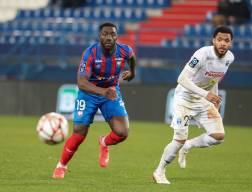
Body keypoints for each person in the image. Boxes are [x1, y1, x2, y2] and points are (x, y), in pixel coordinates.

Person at [52, 22, 136, 179]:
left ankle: (104, 142)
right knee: (79, 134)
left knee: (122, 133)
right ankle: (61, 165)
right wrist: (103, 92)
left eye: (112, 34)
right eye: (105, 34)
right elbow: (81, 83)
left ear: (117, 36)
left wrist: (132, 73)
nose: (109, 37)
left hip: (111, 91)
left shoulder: (124, 50)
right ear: (100, 36)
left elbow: (131, 57)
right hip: (89, 93)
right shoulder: (90, 53)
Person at [153, 26, 235, 184]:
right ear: (213, 41)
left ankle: (189, 145)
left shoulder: (229, 58)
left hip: (203, 100)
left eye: (227, 40)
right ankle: (159, 171)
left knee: (218, 136)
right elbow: (181, 79)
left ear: (231, 43)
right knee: (179, 139)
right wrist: (206, 95)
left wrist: (214, 100)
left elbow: (213, 80)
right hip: (184, 98)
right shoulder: (202, 54)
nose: (223, 43)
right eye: (220, 39)